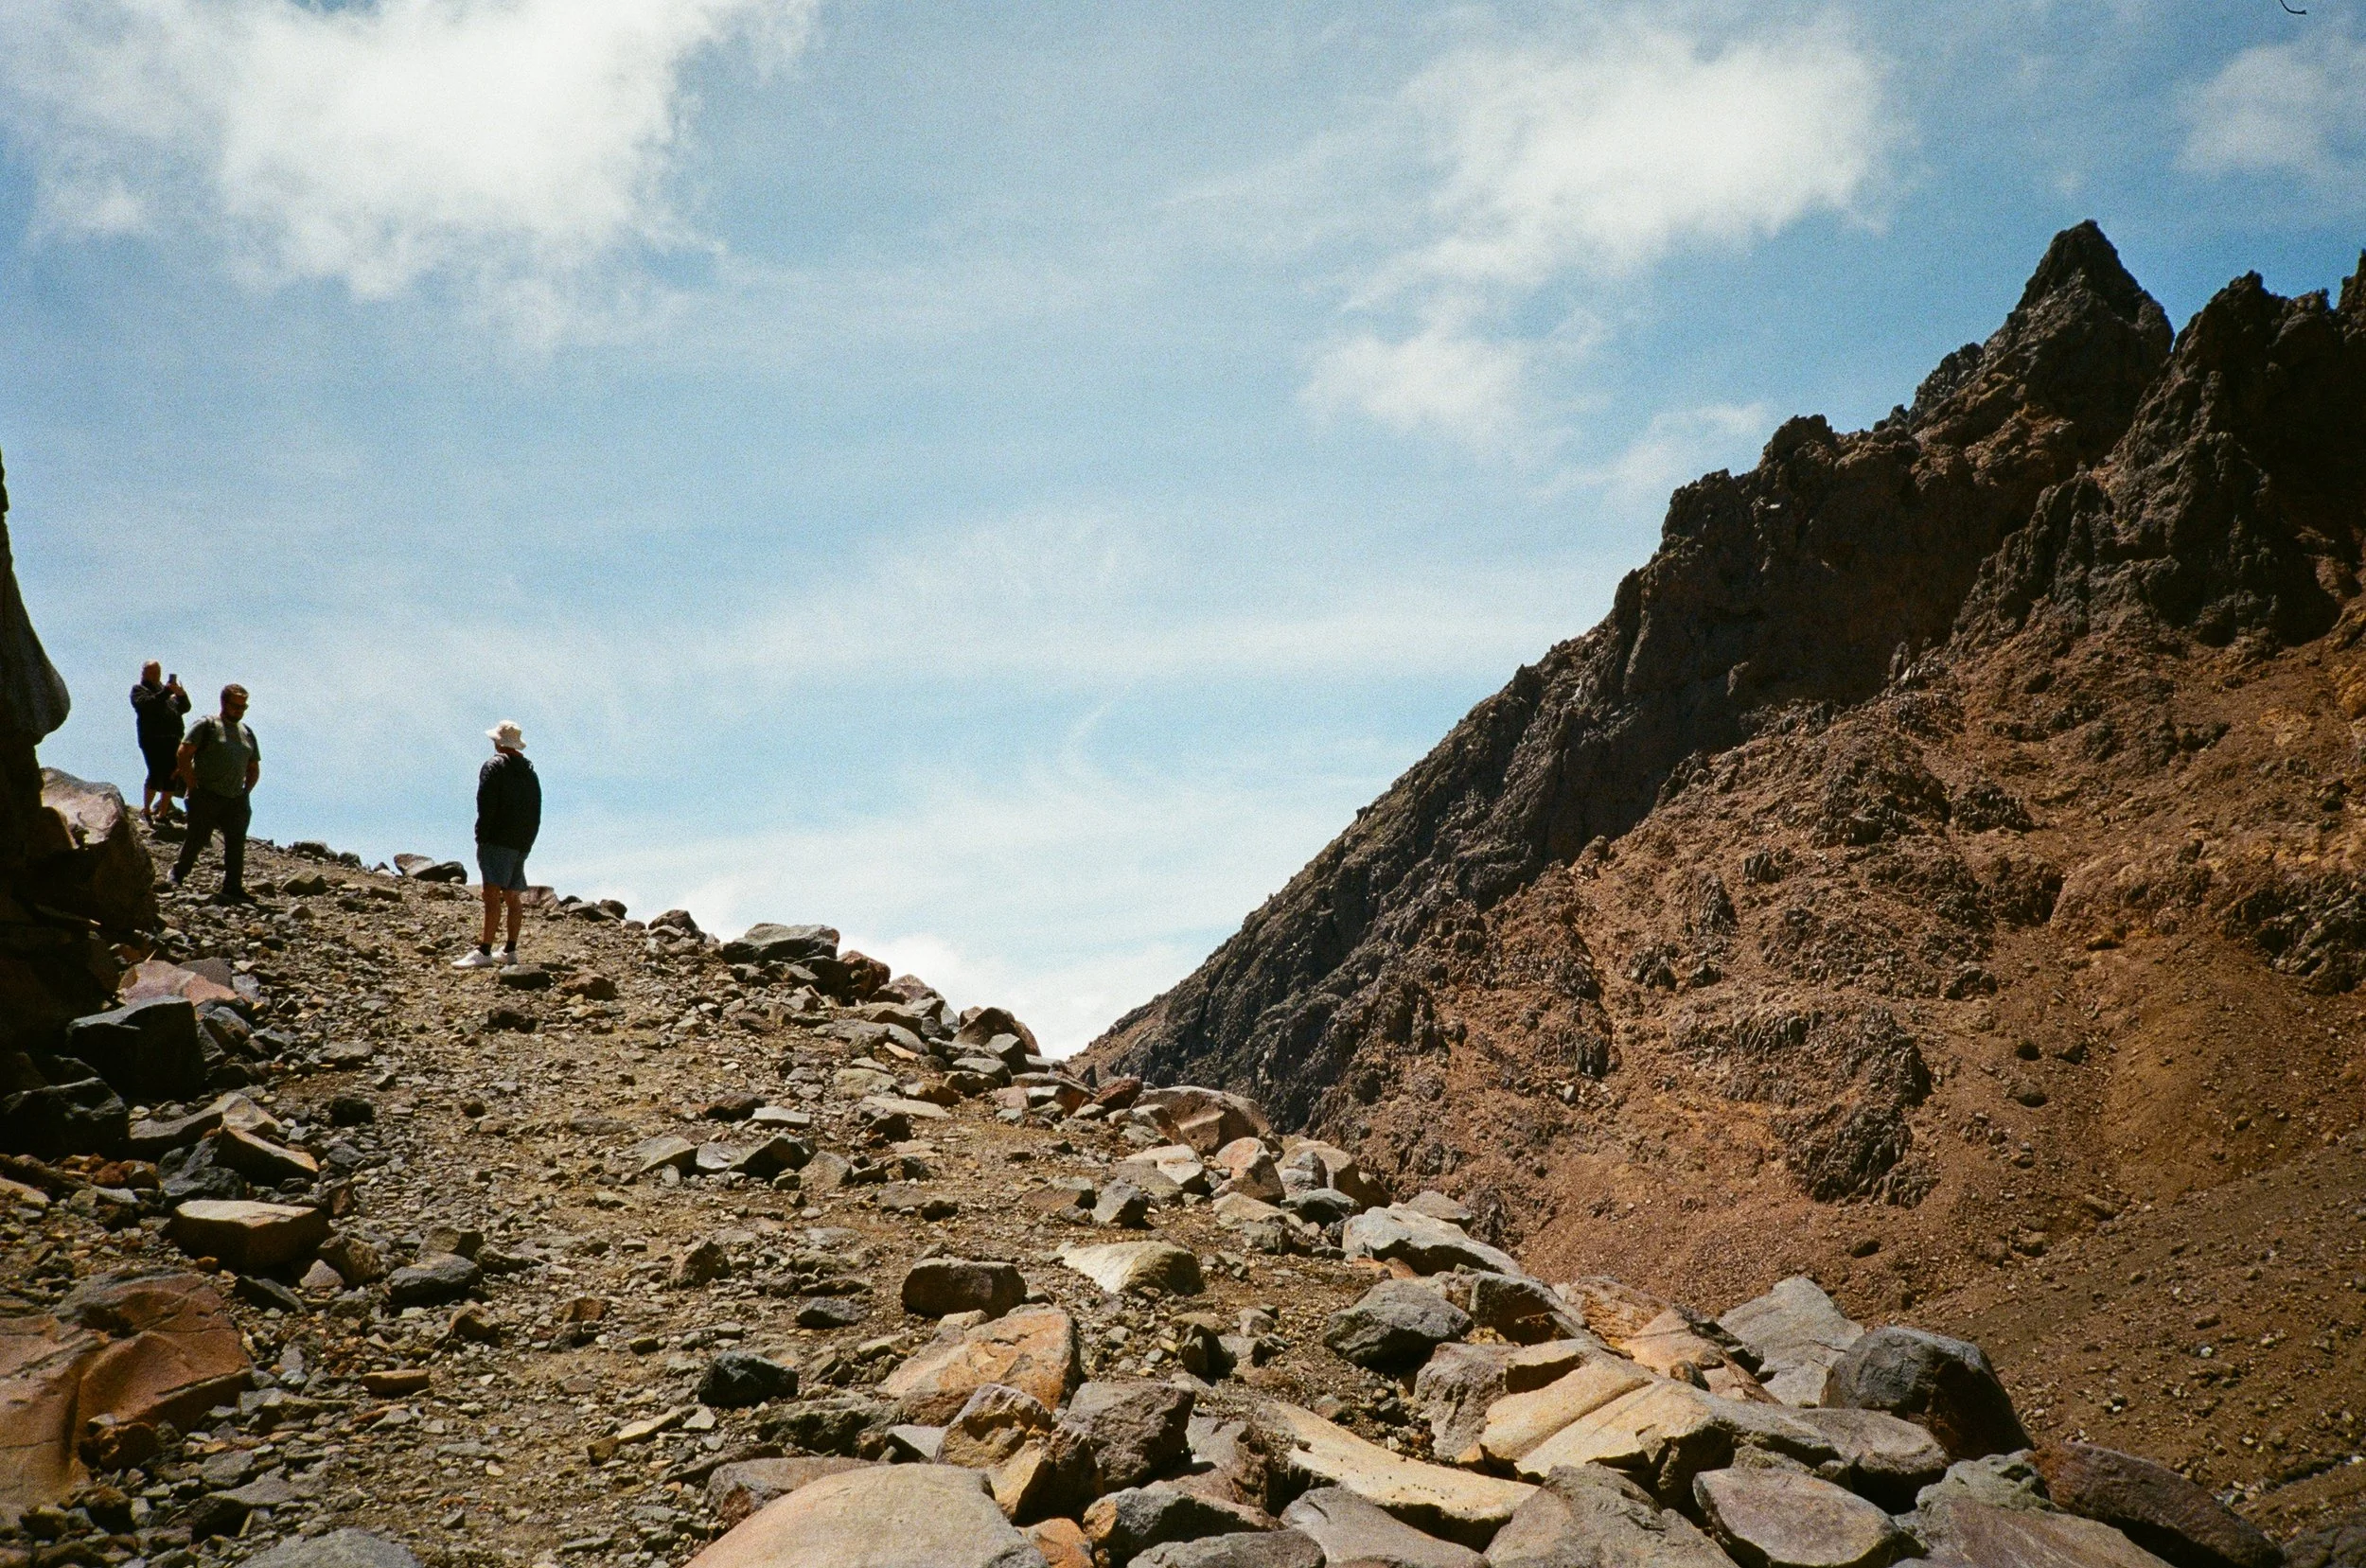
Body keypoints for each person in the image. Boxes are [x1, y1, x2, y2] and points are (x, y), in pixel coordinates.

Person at [455, 719, 540, 969]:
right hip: (521, 842)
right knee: (513, 896)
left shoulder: (493, 766)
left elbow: (486, 804)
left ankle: (484, 950)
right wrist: (528, 842)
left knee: (491, 894)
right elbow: (536, 810)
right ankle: (510, 950)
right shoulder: (529, 771)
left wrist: (482, 835)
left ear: (498, 743)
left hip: (497, 839)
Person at [170, 683, 259, 903]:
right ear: (224, 703)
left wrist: (246, 791)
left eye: (243, 706)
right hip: (206, 794)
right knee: (198, 838)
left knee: (236, 842)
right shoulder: (207, 725)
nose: (240, 710)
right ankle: (178, 874)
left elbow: (253, 765)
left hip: (235, 798)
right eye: (236, 706)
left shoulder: (246, 732)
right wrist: (192, 785)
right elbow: (183, 753)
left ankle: (233, 886)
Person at [130, 661, 190, 824]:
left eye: (158, 672)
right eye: (152, 672)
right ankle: (147, 809)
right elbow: (148, 705)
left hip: (173, 738)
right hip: (152, 739)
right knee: (155, 773)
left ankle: (163, 813)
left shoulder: (166, 691)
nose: (156, 675)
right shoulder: (139, 690)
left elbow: (184, 708)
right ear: (144, 673)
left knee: (171, 775)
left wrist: (181, 694)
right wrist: (167, 692)